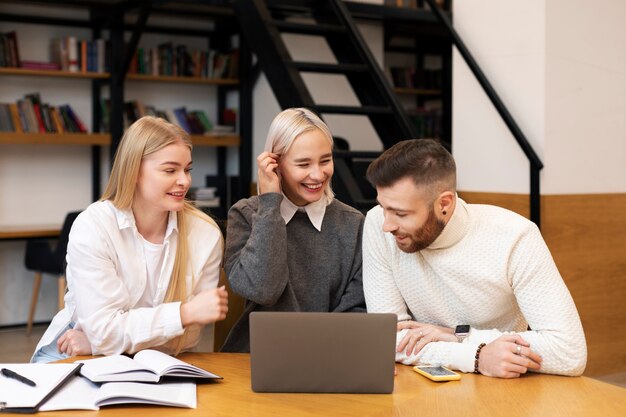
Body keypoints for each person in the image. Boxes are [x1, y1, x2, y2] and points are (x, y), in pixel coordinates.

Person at [363, 139, 587, 378]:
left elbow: (569, 352)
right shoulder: (377, 222)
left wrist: (460, 335)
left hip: (504, 385)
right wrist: (476, 356)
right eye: (383, 207)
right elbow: (387, 339)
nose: (387, 224)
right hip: (422, 383)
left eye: (400, 213)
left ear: (444, 204)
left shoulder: (515, 236)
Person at [31, 116, 228, 363]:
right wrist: (183, 314)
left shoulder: (205, 234)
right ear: (134, 170)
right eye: (170, 170)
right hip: (71, 352)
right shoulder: (94, 226)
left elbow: (186, 338)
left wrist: (99, 343)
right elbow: (105, 331)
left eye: (187, 169)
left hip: (149, 358)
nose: (185, 181)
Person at [221, 108, 366, 352]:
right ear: (275, 165)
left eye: (325, 160)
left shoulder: (353, 223)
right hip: (254, 358)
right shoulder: (245, 215)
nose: (318, 174)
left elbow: (356, 309)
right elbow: (263, 289)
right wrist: (269, 203)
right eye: (303, 163)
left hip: (329, 356)